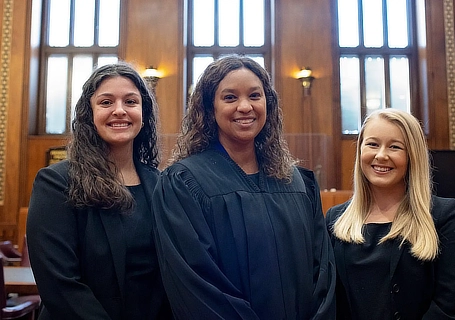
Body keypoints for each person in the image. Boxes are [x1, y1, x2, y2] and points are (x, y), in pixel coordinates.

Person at [152, 55, 336, 319]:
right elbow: (197, 285)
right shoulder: (183, 183)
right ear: (209, 107)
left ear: (268, 104)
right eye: (229, 97)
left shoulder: (297, 183)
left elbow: (323, 276)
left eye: (254, 96)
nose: (245, 106)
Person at [26, 62, 172, 319]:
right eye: (106, 102)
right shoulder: (56, 183)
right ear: (89, 113)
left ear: (144, 113)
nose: (119, 111)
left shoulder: (161, 184)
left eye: (130, 102)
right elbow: (60, 284)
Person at [325, 109, 455, 319]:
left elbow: (450, 307)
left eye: (395, 147)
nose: (381, 155)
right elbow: (326, 300)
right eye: (372, 144)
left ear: (412, 155)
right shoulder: (334, 219)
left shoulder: (444, 216)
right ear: (360, 151)